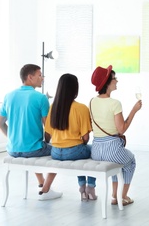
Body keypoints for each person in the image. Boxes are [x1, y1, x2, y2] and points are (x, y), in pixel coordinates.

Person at [0, 64, 62, 201]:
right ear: (30, 77)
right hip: (33, 149)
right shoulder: (40, 98)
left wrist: (14, 139)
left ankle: (41, 182)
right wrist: (51, 142)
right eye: (39, 75)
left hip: (13, 150)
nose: (42, 78)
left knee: (33, 146)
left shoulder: (8, 96)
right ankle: (46, 189)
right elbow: (48, 128)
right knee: (60, 152)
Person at [89, 65, 142, 206]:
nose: (117, 81)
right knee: (130, 162)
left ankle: (115, 195)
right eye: (114, 79)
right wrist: (134, 110)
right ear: (107, 83)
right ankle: (121, 196)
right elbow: (121, 129)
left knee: (117, 165)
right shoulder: (115, 103)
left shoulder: (92, 101)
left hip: (96, 150)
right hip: (112, 149)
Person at [44, 73, 97, 201]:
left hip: (55, 152)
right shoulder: (81, 108)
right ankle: (90, 187)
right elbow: (85, 138)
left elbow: (47, 135)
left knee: (81, 157)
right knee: (95, 152)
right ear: (75, 88)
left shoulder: (53, 107)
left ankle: (81, 188)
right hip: (74, 151)